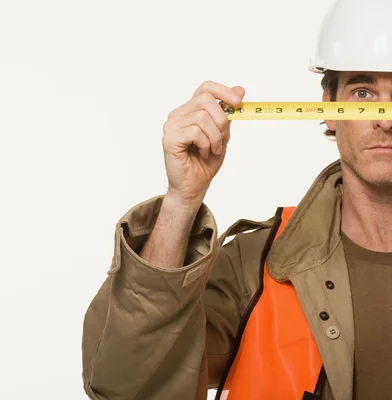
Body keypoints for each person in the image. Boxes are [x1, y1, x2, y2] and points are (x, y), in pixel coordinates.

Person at [81, 0, 392, 399]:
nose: (385, 118)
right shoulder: (256, 266)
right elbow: (127, 384)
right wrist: (181, 201)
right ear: (328, 107)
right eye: (363, 92)